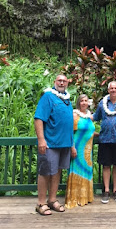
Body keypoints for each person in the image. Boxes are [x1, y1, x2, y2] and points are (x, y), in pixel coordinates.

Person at [34, 74, 74, 216]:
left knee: (57, 172)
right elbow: (38, 119)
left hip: (64, 144)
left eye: (64, 81)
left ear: (67, 83)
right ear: (54, 82)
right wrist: (41, 140)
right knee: (45, 172)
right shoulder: (48, 97)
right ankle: (41, 203)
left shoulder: (67, 100)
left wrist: (72, 144)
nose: (62, 83)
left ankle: (52, 200)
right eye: (59, 80)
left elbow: (69, 123)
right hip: (50, 143)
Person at [93, 81, 116, 204]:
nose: (113, 90)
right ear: (108, 90)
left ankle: (115, 190)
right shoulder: (102, 104)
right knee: (106, 166)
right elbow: (95, 117)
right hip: (105, 139)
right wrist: (80, 116)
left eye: (115, 88)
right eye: (111, 88)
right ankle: (106, 190)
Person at [65, 94, 97, 208]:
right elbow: (70, 132)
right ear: (79, 103)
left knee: (86, 170)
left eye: (86, 101)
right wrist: (72, 147)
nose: (84, 103)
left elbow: (90, 130)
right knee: (77, 170)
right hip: (78, 148)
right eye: (82, 101)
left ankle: (85, 197)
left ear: (88, 103)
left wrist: (100, 135)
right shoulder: (75, 115)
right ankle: (75, 197)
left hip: (88, 150)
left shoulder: (89, 116)